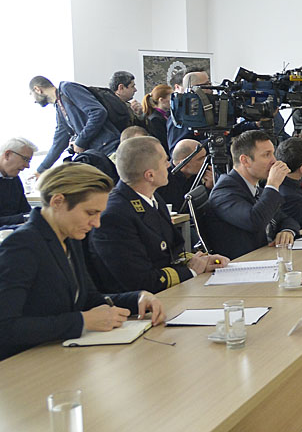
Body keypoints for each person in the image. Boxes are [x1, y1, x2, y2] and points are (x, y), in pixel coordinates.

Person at [0, 163, 164, 361]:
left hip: (61, 355)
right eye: (90, 213)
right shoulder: (22, 246)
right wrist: (82, 321)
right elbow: (5, 327)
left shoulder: (70, 238)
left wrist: (137, 299)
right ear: (58, 202)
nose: (97, 223)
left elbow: (88, 299)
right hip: (23, 362)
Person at [89, 136, 227, 293]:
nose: (169, 165)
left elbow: (172, 251)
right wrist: (191, 271)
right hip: (140, 301)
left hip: (166, 292)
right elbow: (139, 280)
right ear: (150, 175)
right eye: (165, 161)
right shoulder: (115, 216)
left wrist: (201, 261)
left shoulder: (152, 199)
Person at [206, 130, 299, 259]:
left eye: (273, 154)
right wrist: (272, 185)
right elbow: (255, 222)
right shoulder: (224, 193)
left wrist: (287, 231)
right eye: (267, 155)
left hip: (266, 257)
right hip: (243, 263)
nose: (274, 161)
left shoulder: (255, 189)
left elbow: (286, 219)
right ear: (245, 161)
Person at [29, 75, 121, 175]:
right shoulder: (59, 107)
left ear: (37, 89)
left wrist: (80, 142)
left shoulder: (67, 88)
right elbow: (59, 142)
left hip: (110, 150)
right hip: (99, 158)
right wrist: (41, 170)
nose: (34, 101)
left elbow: (98, 112)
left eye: (31, 94)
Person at [161, 138, 213, 212]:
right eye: (200, 159)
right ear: (184, 163)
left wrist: (210, 188)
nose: (205, 162)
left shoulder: (199, 174)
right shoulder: (163, 179)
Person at [168, 70, 210, 152]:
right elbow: (178, 152)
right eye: (205, 85)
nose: (210, 89)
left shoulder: (210, 109)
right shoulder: (180, 116)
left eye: (210, 84)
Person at [0, 137, 36, 228]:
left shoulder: (15, 178)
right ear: (7, 154)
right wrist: (24, 218)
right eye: (25, 159)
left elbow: (25, 210)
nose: (27, 166)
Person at [142, 83, 172, 152]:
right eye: (171, 97)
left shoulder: (166, 115)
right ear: (161, 100)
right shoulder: (155, 119)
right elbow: (163, 141)